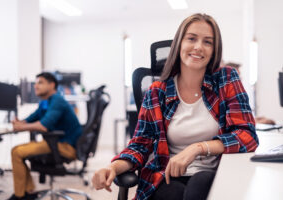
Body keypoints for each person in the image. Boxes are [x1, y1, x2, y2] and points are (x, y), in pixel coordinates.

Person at [92, 13, 259, 200]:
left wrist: (197, 148)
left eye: (208, 42)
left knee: (199, 183)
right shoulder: (157, 92)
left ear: (214, 50)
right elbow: (140, 145)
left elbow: (247, 136)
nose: (198, 47)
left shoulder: (226, 79)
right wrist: (112, 167)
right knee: (171, 193)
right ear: (179, 43)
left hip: (215, 173)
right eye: (192, 38)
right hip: (168, 175)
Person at [7, 72, 82, 200]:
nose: (36, 86)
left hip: (65, 147)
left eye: (40, 82)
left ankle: (20, 197)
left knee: (17, 152)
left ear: (52, 85)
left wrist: (20, 127)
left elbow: (43, 126)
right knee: (16, 151)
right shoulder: (45, 102)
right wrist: (19, 123)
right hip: (54, 143)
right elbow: (31, 119)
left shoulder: (57, 100)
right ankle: (28, 192)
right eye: (35, 83)